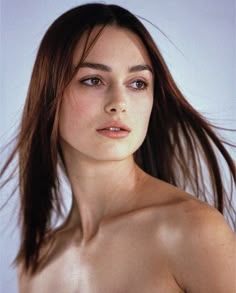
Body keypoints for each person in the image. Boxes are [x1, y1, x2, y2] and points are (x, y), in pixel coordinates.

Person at [1, 3, 235, 292]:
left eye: (137, 83)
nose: (119, 103)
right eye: (93, 80)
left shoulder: (192, 231)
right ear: (49, 94)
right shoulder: (36, 264)